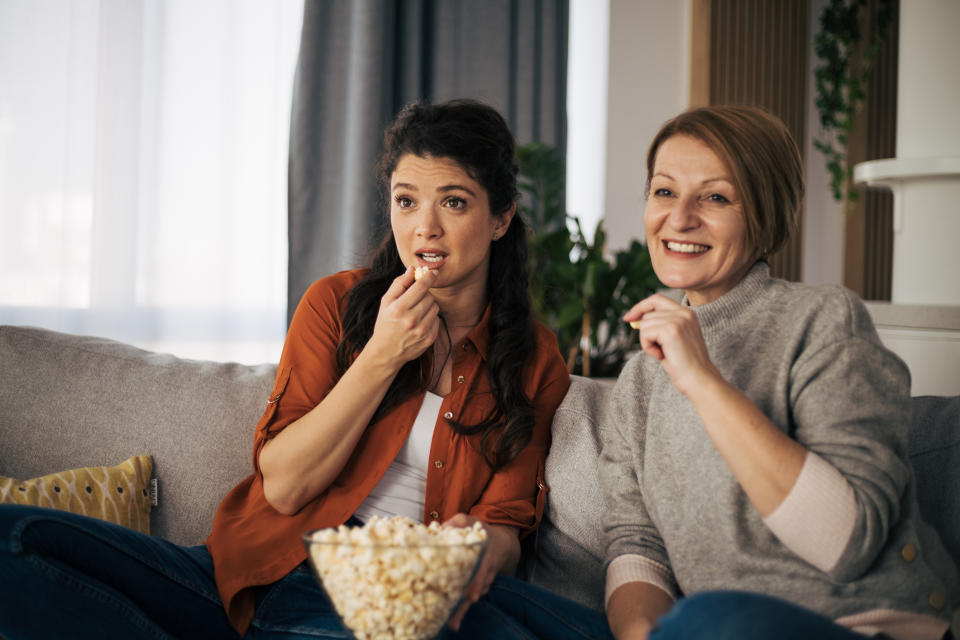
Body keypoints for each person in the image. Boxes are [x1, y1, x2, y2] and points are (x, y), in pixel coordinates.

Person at [0, 98, 612, 640]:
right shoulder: (335, 304)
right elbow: (287, 486)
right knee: (16, 539)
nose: (425, 227)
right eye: (406, 201)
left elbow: (505, 524)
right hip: (271, 572)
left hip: (405, 604)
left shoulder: (533, 359)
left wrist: (473, 552)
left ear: (500, 218)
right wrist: (382, 354)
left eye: (454, 201)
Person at [598, 105, 959, 640]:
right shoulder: (637, 385)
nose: (678, 218)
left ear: (763, 216)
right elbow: (636, 545)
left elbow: (847, 542)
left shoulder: (825, 321)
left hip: (865, 624)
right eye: (664, 191)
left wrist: (702, 380)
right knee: (480, 603)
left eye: (716, 197)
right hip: (707, 630)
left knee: (711, 616)